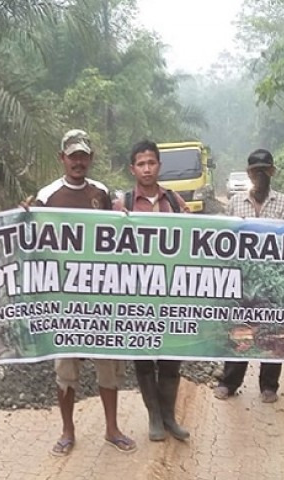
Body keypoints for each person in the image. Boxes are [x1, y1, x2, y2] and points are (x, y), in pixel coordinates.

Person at [24, 129, 137, 456]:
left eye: (83, 155)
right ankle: (67, 430)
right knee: (66, 370)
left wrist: (123, 220)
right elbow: (32, 243)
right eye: (72, 155)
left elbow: (114, 237)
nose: (78, 161)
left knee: (108, 363)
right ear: (62, 158)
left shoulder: (101, 193)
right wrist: (22, 218)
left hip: (98, 296)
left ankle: (112, 428)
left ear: (91, 158)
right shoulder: (46, 196)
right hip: (64, 300)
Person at [112, 139, 191, 442]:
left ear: (159, 165)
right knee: (144, 360)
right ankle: (154, 418)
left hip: (171, 292)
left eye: (152, 162)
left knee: (171, 357)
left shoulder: (174, 201)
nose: (147, 168)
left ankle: (170, 416)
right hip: (137, 295)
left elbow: (193, 240)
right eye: (141, 164)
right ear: (132, 169)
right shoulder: (123, 204)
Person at [213, 148, 284, 404]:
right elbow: (226, 240)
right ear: (249, 173)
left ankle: (269, 385)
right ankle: (230, 381)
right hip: (243, 279)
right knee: (240, 330)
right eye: (255, 170)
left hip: (274, 281)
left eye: (264, 170)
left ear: (271, 171)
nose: (260, 174)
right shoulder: (236, 202)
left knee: (273, 330)